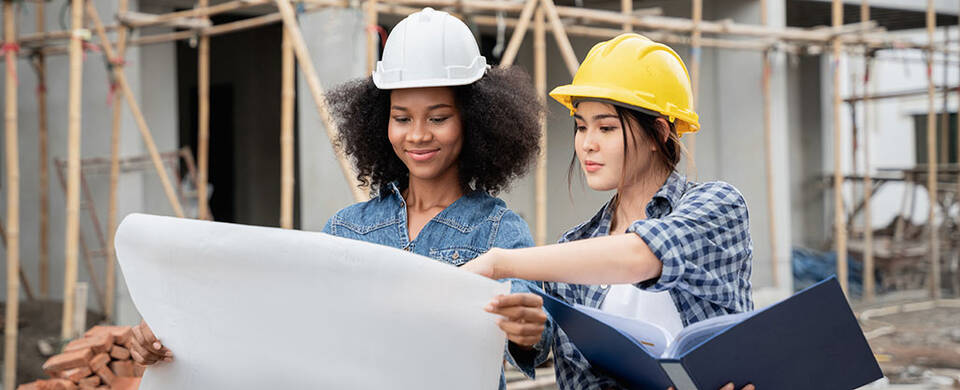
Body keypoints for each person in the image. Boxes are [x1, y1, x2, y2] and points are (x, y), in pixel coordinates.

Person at [131, 8, 552, 389]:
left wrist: (529, 329)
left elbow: (538, 335)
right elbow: (286, 317)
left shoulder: (498, 230)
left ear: (474, 122)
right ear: (379, 121)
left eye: (438, 118)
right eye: (401, 117)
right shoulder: (348, 229)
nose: (418, 134)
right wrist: (172, 331)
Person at [463, 33, 755, 390]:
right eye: (581, 126)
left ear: (658, 133)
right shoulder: (575, 247)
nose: (587, 143)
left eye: (606, 127)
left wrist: (499, 262)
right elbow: (580, 381)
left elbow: (643, 254)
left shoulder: (719, 207)